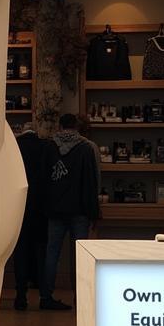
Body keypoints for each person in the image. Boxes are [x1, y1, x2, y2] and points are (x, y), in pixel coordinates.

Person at [39, 113, 101, 310]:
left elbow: (43, 180)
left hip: (55, 210)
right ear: (76, 126)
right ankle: (80, 298)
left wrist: (46, 206)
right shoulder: (85, 148)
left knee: (52, 254)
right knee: (79, 256)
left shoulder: (49, 147)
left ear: (60, 125)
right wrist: (94, 212)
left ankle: (46, 297)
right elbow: (90, 182)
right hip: (79, 210)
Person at [12, 123, 51, 311]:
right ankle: (44, 295)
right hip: (41, 207)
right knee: (42, 252)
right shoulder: (45, 147)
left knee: (20, 251)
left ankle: (20, 295)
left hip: (18, 207)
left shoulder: (14, 146)